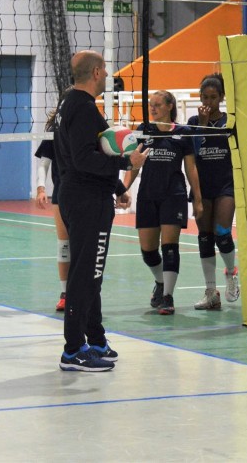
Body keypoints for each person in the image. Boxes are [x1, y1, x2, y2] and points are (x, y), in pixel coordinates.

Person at [54, 50, 149, 371]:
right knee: (87, 273)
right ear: (96, 72)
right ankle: (73, 350)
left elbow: (80, 157)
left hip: (79, 193)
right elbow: (83, 160)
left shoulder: (69, 103)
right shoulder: (82, 108)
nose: (108, 75)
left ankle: (95, 339)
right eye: (105, 70)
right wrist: (127, 162)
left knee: (90, 272)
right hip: (86, 200)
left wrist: (117, 187)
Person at [122, 90, 203, 315]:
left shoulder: (183, 133)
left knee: (169, 247)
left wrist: (197, 199)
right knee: (148, 251)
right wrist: (123, 189)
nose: (153, 108)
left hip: (173, 195)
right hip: (148, 195)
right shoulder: (144, 131)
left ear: (169, 106)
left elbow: (191, 168)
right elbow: (134, 165)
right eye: (151, 104)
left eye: (158, 104)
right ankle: (160, 282)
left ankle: (168, 296)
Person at [187, 73, 239, 309]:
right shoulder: (194, 121)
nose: (208, 102)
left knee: (222, 232)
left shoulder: (230, 121)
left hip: (226, 183)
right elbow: (194, 151)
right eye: (205, 97)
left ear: (221, 97)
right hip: (202, 185)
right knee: (205, 237)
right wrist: (202, 123)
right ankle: (211, 292)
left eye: (213, 97)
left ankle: (231, 272)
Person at [34, 87, 72, 312]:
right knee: (64, 243)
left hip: (85, 193)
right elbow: (44, 162)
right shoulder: (54, 129)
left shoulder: (89, 125)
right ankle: (65, 293)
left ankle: (84, 292)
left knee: (83, 244)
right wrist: (41, 188)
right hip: (62, 192)